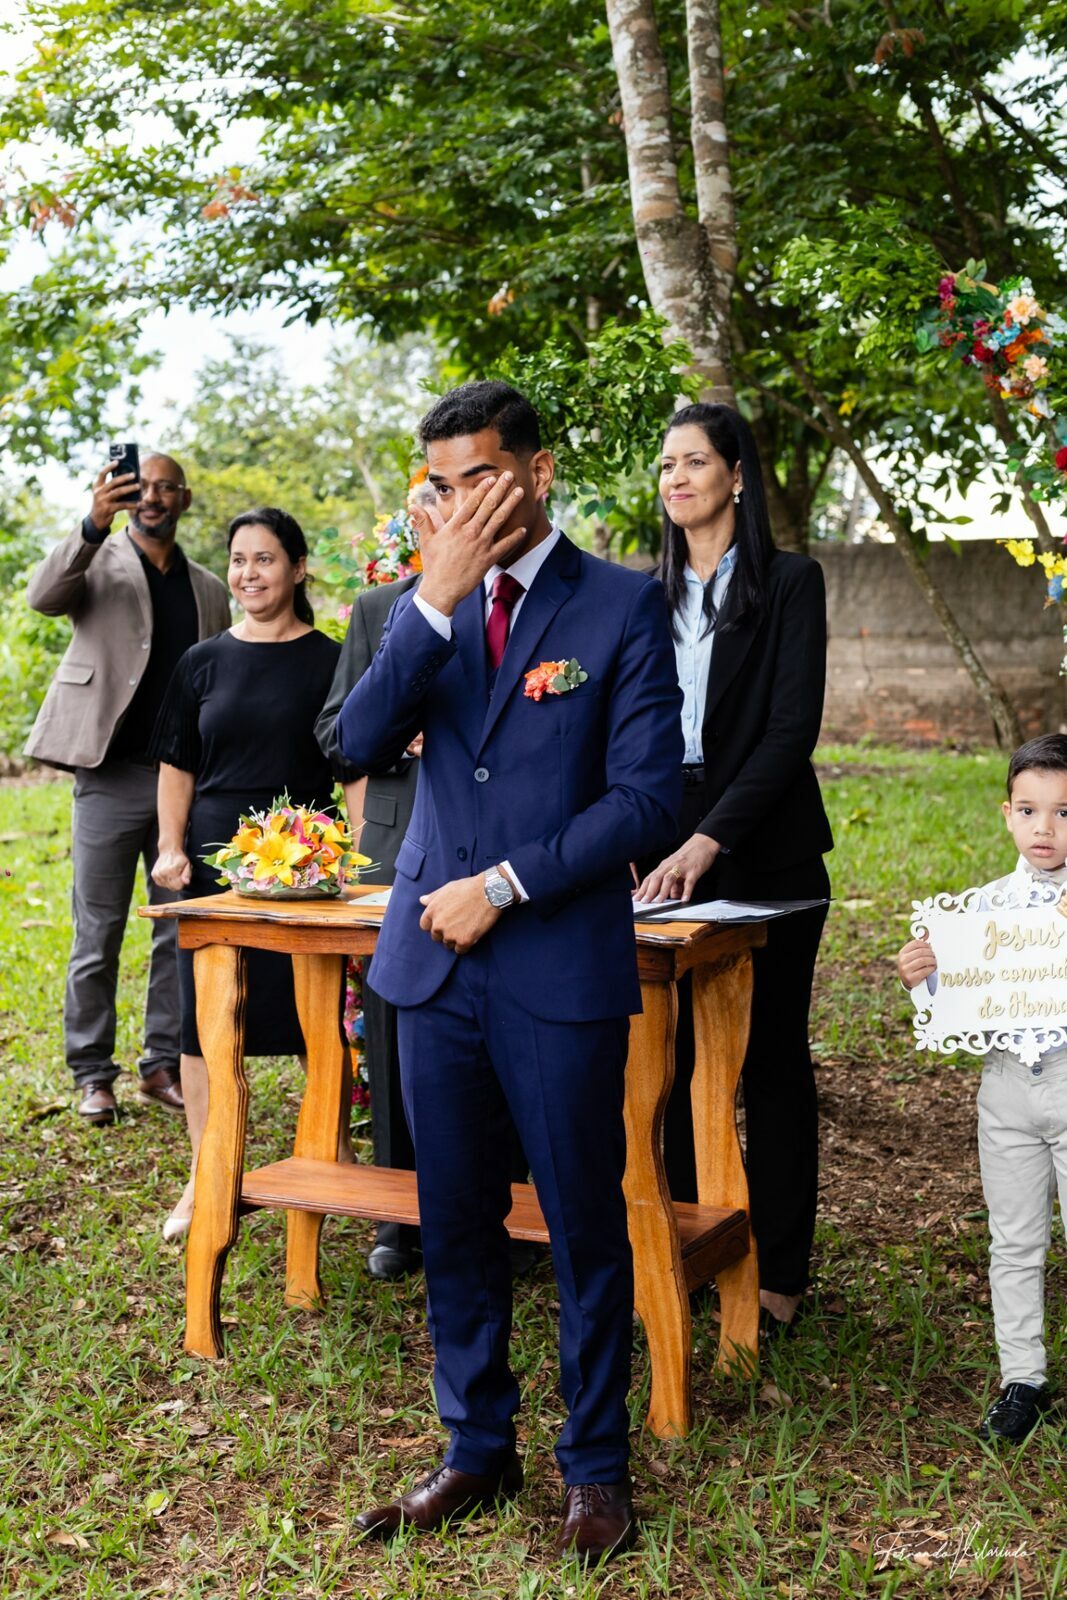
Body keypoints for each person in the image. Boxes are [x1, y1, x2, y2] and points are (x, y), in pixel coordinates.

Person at [335, 381, 682, 1560]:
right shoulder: (416, 607)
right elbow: (353, 741)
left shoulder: (621, 604)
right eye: (438, 485)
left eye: (477, 476)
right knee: (452, 1219)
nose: (456, 502)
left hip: (552, 962)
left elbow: (646, 798)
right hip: (429, 970)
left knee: (581, 1224)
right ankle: (474, 1447)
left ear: (535, 472)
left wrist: (503, 885)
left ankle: (594, 1467)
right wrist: (431, 598)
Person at [634, 403, 833, 1336]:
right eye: (665, 465)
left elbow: (791, 731)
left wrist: (708, 840)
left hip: (764, 845)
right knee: (666, 1057)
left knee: (769, 1060)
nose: (675, 479)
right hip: (657, 841)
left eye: (694, 462)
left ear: (737, 476)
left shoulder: (790, 582)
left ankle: (780, 1269)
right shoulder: (644, 595)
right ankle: (688, 1244)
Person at [150, 508, 343, 1238]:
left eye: (265, 559)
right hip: (214, 867)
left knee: (313, 1017)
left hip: (306, 864)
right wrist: (170, 847)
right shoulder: (201, 662)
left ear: (298, 568)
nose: (248, 573)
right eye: (238, 559)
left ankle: (329, 1156)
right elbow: (176, 764)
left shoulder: (332, 660)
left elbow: (352, 764)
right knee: (202, 1025)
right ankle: (205, 1173)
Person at [24, 452, 230, 1125]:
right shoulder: (96, 560)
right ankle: (92, 1071)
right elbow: (42, 597)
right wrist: (92, 522)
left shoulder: (208, 587)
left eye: (167, 488)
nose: (153, 498)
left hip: (181, 781)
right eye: (142, 487)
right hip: (109, 773)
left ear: (185, 500)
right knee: (98, 930)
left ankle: (161, 1065)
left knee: (177, 927)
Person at [897, 734, 1067, 1445]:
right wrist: (925, 976)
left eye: (1063, 812)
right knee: (1013, 1240)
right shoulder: (981, 909)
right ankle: (1021, 1379)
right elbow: (959, 997)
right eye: (1028, 810)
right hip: (1005, 1088)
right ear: (1006, 814)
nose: (1043, 827)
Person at [316, 567, 423, 1279]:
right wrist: (400, 734)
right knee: (389, 1034)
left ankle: (506, 1205)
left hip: (500, 843)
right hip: (393, 844)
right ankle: (396, 1219)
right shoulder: (379, 606)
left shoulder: (523, 601)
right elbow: (337, 733)